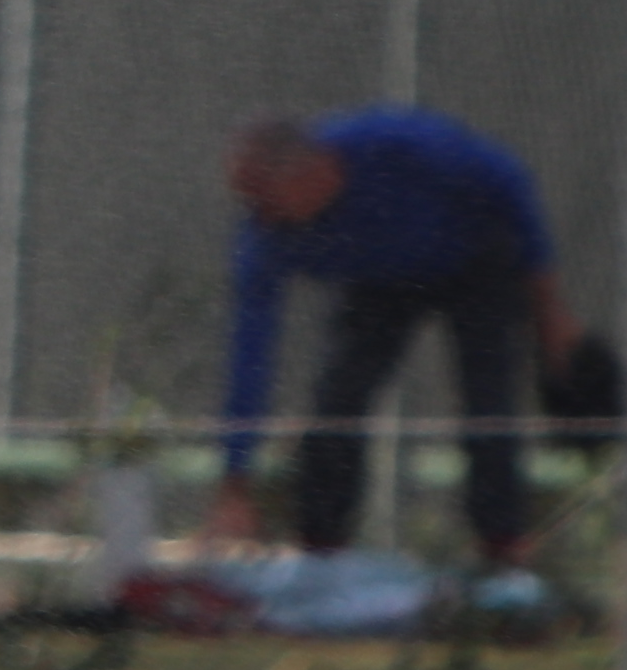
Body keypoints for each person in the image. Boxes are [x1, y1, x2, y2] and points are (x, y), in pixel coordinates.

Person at [208, 109, 577, 598]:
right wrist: (235, 479)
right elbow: (250, 352)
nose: (257, 216)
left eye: (263, 197)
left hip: (474, 259)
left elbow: (508, 182)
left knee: (487, 404)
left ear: (311, 172)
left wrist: (548, 308)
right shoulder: (268, 238)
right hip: (378, 284)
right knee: (336, 402)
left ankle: (503, 556)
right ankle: (320, 557)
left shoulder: (392, 144)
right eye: (247, 201)